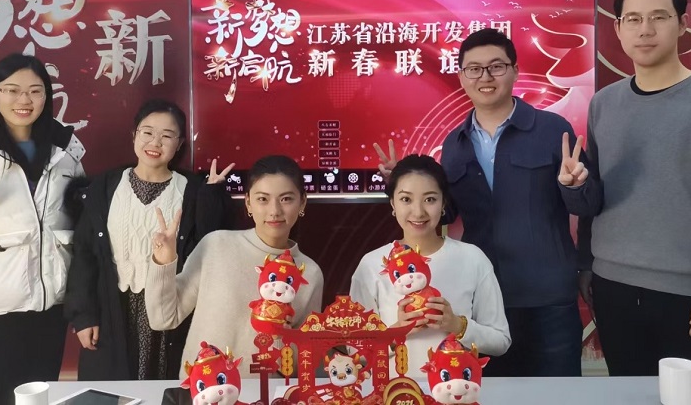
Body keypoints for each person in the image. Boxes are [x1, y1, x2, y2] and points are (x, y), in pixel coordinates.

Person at [375, 29, 602, 377]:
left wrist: (576, 186)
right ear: (462, 76)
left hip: (547, 299)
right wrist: (406, 186)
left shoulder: (551, 130)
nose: (485, 77)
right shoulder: (455, 143)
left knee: (555, 395)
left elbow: (588, 206)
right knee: (484, 391)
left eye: (496, 66)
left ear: (514, 70)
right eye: (474, 69)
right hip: (481, 298)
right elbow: (446, 214)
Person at [574, 0, 691, 386]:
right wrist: (587, 266)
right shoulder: (604, 104)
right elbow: (598, 196)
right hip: (612, 288)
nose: (645, 29)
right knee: (628, 393)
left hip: (690, 294)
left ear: (682, 24)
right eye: (633, 19)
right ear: (618, 28)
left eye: (658, 17)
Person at [64, 99, 237, 381]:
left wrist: (212, 197)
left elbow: (211, 250)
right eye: (147, 132)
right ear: (134, 134)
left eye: (167, 136)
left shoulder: (193, 190)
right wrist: (84, 316)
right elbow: (84, 254)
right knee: (113, 389)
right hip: (113, 308)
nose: (155, 142)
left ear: (179, 144)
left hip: (170, 309)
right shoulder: (104, 187)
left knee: (164, 385)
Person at [0, 53, 85, 405]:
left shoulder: (65, 150)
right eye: (12, 90)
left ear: (47, 96)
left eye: (35, 91)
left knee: (41, 399)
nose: (24, 100)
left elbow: (77, 224)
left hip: (49, 309)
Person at [145, 154, 324, 376]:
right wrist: (163, 261)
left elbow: (304, 364)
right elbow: (163, 318)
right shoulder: (216, 245)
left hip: (265, 391)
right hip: (203, 389)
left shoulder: (309, 273)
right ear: (248, 202)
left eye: (286, 199)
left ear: (302, 202)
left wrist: (284, 338)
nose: (275, 211)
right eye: (263, 199)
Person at [350, 154, 510, 378]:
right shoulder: (371, 264)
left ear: (443, 203)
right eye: (406, 199)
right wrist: (396, 332)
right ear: (393, 204)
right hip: (394, 392)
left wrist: (458, 325)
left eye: (430, 199)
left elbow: (500, 340)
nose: (418, 212)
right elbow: (355, 353)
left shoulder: (472, 258)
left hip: (457, 391)